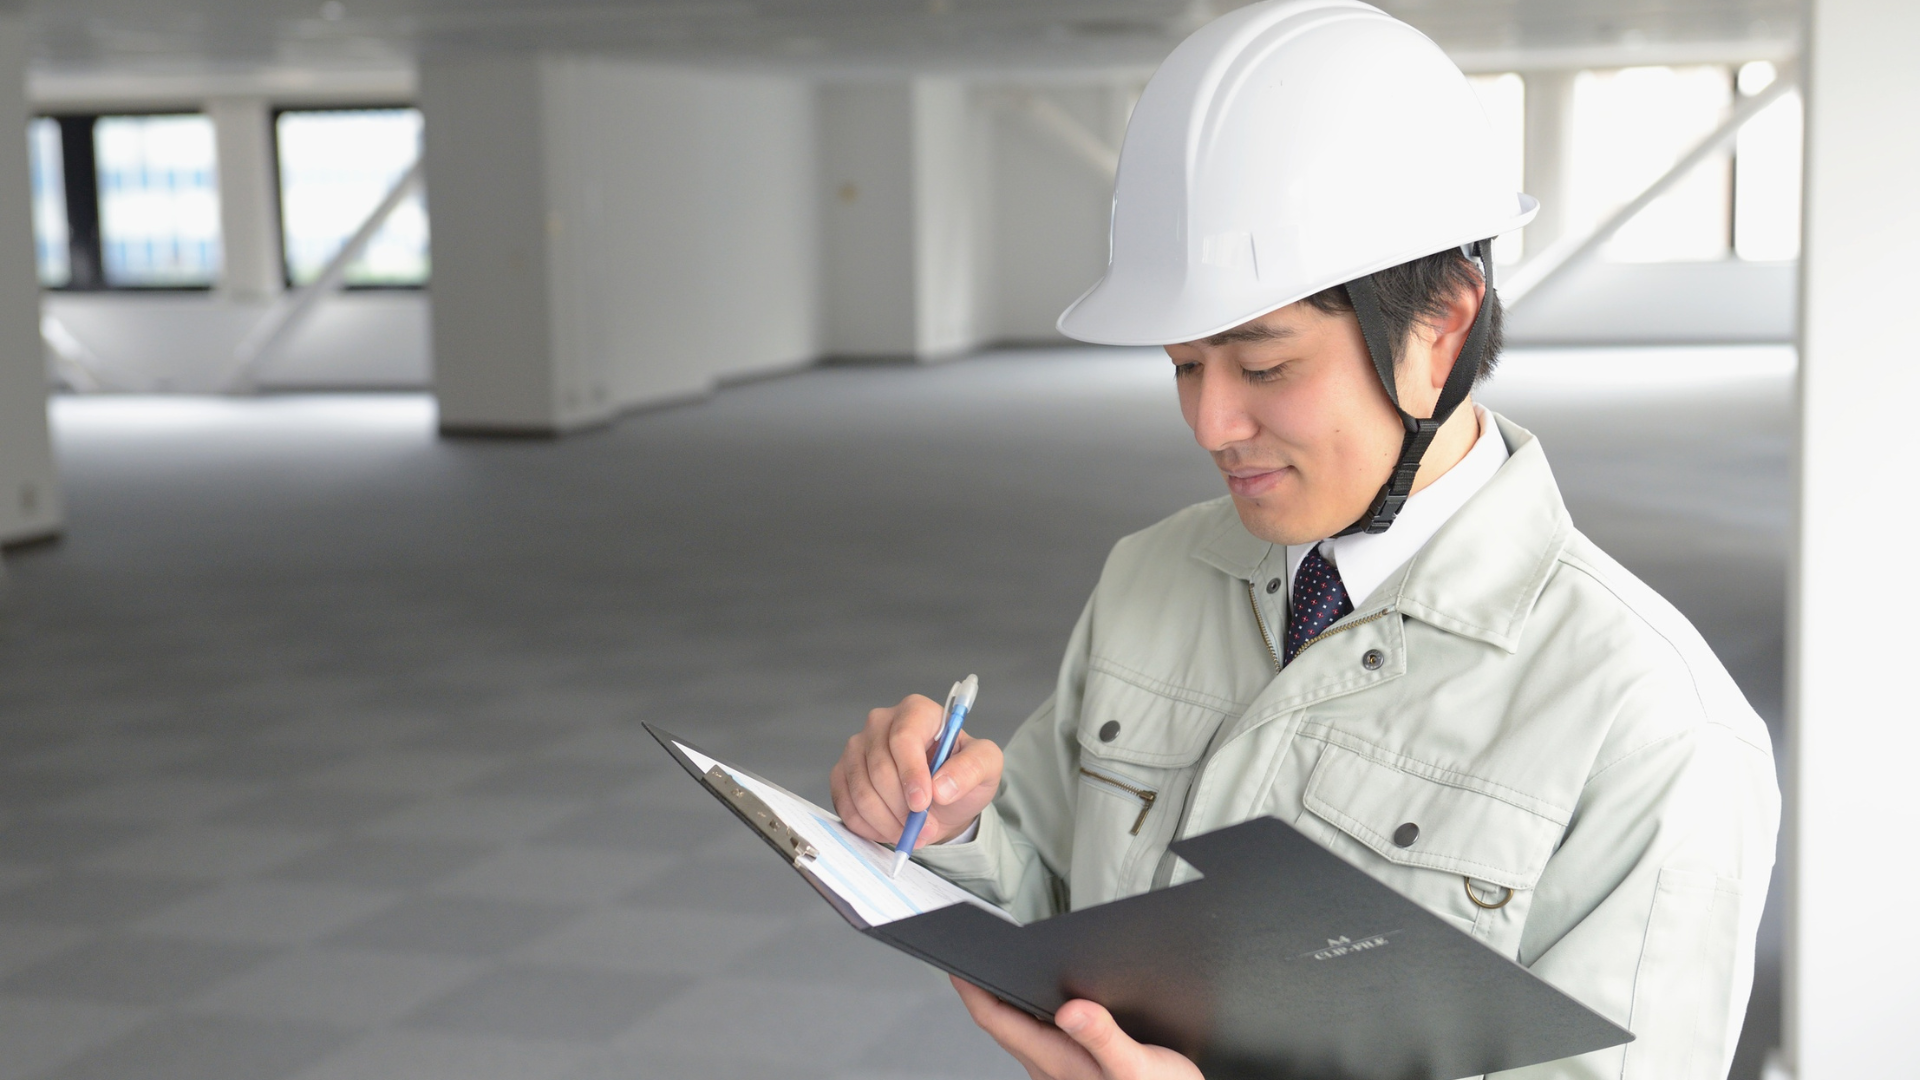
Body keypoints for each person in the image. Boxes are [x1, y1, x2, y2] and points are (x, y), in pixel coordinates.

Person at [828, 2, 1780, 1077]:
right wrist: (944, 825)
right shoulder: (1150, 576)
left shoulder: (1652, 727)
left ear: (1442, 328)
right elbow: (1048, 890)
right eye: (1184, 365)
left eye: (1265, 365)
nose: (1208, 423)